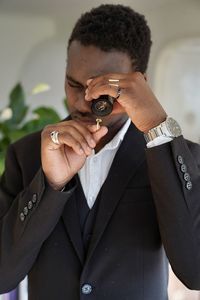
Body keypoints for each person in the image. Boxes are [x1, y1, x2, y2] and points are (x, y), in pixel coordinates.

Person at [0, 4, 200, 300]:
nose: (83, 101)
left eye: (101, 89)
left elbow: (195, 271)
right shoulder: (27, 154)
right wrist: (51, 186)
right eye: (73, 84)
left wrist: (156, 125)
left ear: (138, 83)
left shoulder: (177, 157)